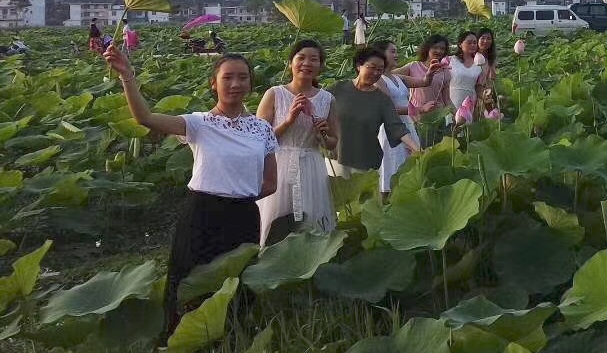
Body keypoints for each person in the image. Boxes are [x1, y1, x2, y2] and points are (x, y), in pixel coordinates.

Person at [104, 43, 277, 330]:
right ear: (214, 84)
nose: (235, 84)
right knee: (190, 281)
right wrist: (127, 76)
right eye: (227, 77)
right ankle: (186, 345)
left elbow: (270, 182)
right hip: (203, 212)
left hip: (244, 215)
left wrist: (238, 195)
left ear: (251, 82)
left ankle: (231, 340)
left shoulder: (262, 129)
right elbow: (145, 118)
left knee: (238, 282)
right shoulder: (199, 124)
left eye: (243, 77)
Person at [255, 39, 336, 245]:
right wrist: (289, 120)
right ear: (291, 62)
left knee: (312, 222)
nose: (307, 63)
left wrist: (323, 135)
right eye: (301, 58)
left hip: (312, 164)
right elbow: (258, 138)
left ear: (320, 65)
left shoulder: (327, 99)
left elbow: (333, 143)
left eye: (314, 59)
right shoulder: (274, 94)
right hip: (278, 164)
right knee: (275, 219)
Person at [328, 46, 422, 179]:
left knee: (362, 198)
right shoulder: (338, 88)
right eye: (372, 67)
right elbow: (318, 107)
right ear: (359, 65)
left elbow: (397, 127)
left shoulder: (382, 99)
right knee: (336, 197)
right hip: (336, 157)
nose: (376, 73)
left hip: (366, 160)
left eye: (380, 70)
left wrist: (416, 148)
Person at [373, 39, 442, 195]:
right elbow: (388, 109)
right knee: (392, 168)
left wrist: (430, 72)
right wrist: (418, 109)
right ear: (380, 54)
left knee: (409, 165)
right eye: (392, 51)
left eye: (396, 51)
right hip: (391, 129)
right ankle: (387, 204)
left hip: (407, 125)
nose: (396, 55)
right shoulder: (378, 79)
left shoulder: (398, 78)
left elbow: (424, 82)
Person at [402, 34, 452, 117]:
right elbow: (390, 76)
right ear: (427, 48)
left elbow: (447, 99)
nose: (439, 51)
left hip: (438, 115)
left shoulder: (445, 72)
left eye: (442, 49)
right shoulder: (413, 66)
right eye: (435, 47)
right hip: (417, 113)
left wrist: (455, 114)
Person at [446, 28, 492, 112]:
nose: (473, 45)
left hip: (469, 102)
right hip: (450, 100)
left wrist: (484, 94)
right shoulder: (449, 60)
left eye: (475, 42)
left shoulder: (479, 63)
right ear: (460, 44)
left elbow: (478, 86)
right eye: (469, 42)